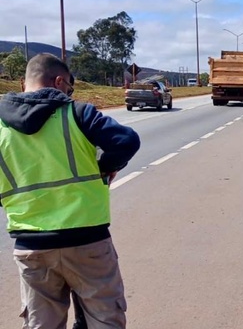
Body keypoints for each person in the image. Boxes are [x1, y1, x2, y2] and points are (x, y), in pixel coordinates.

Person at [0, 53, 141, 328]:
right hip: (87, 240)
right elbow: (126, 141)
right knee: (104, 320)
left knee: (42, 324)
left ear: (22, 82)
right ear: (59, 81)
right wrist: (107, 167)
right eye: (70, 88)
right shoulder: (77, 113)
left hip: (32, 246)